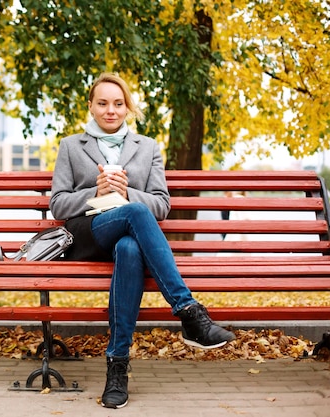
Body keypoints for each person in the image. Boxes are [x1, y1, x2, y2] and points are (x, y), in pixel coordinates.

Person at [49, 72, 235, 409]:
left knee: (130, 247)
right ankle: (188, 311)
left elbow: (162, 205)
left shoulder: (147, 147)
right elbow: (58, 204)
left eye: (118, 104)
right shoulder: (71, 146)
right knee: (135, 214)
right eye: (103, 103)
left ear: (128, 108)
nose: (111, 110)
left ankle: (116, 368)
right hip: (88, 235)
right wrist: (98, 191)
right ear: (91, 107)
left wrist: (125, 191)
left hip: (127, 240)